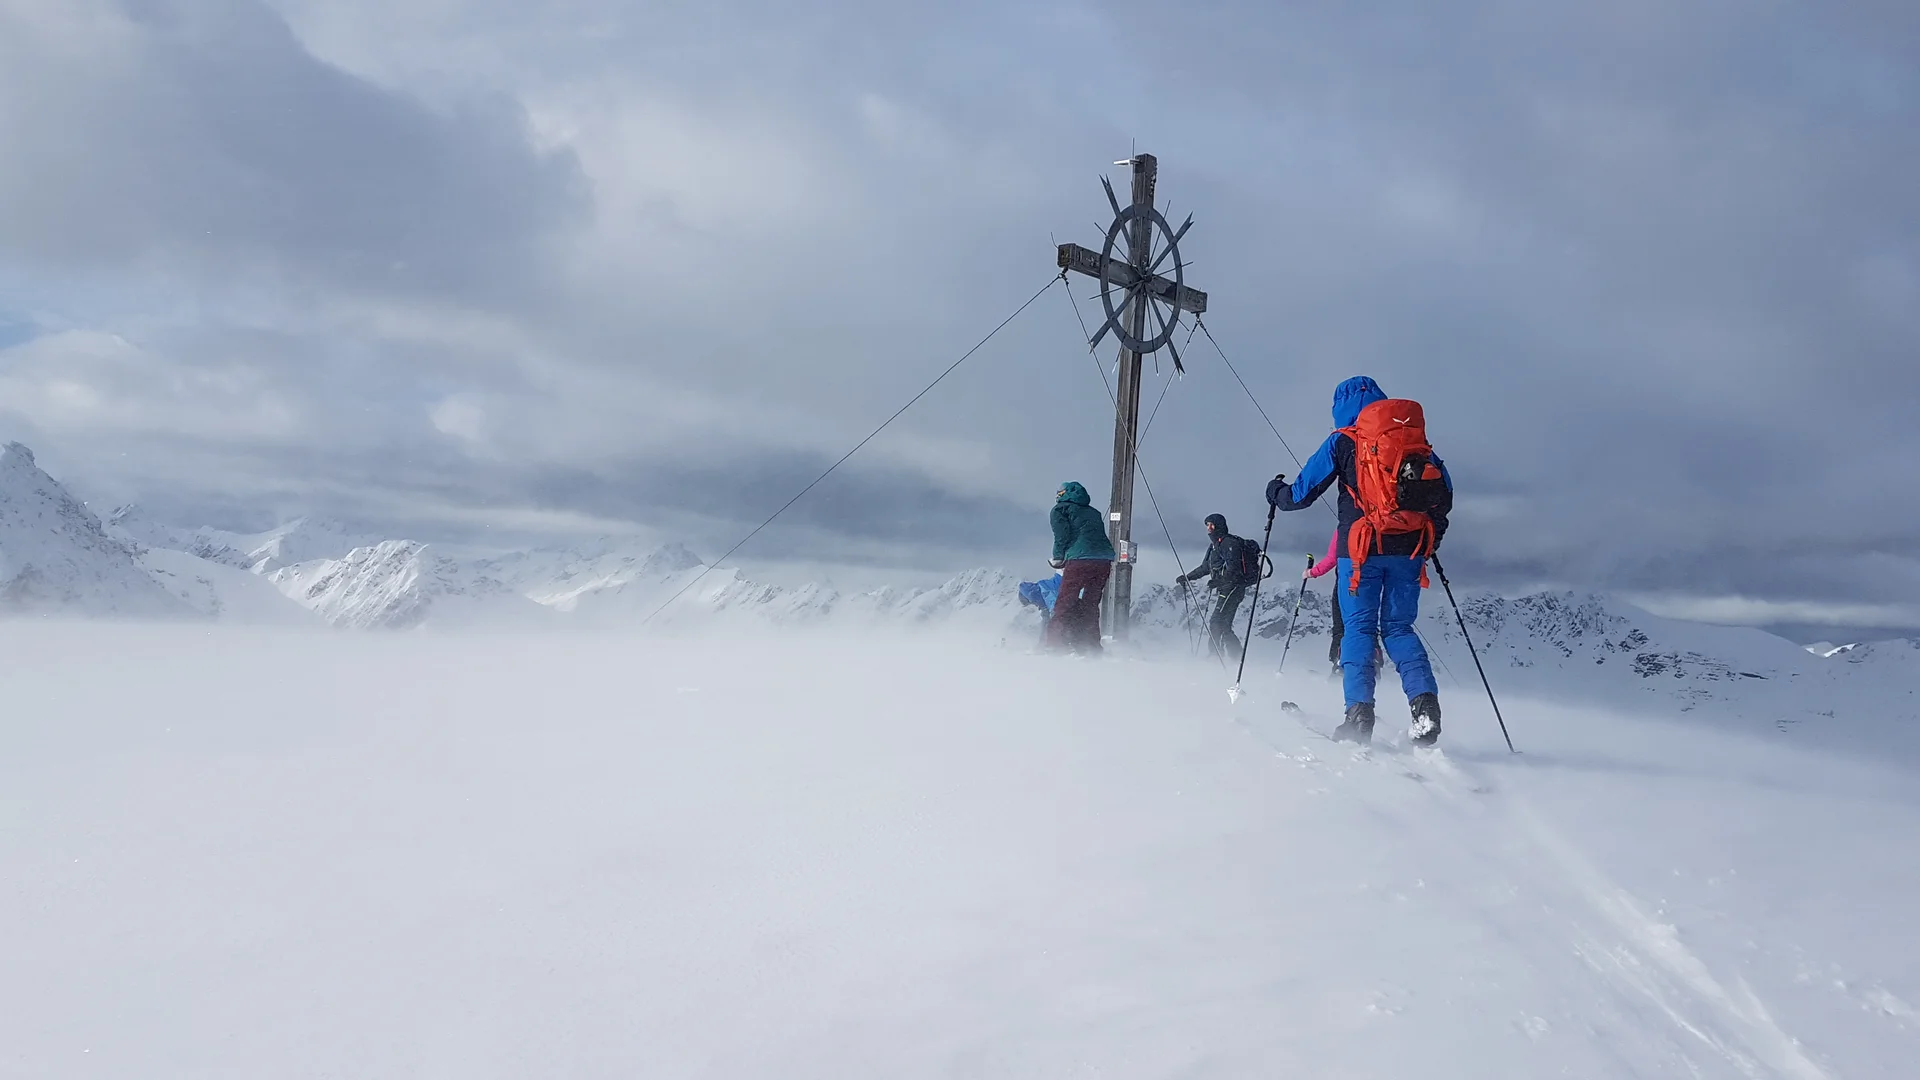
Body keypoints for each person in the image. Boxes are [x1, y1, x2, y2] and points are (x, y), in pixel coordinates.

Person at [1267, 376, 1452, 746]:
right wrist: (1428, 542)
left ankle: (1358, 717)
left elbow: (1301, 494)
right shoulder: (1415, 443)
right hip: (1410, 550)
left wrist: (1275, 492)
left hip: (1360, 550)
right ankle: (1425, 709)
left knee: (1359, 630)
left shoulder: (1343, 441)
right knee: (1400, 629)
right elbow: (1443, 496)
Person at [1174, 513, 1259, 659]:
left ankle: (1216, 655)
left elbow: (1234, 568)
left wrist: (1220, 581)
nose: (1209, 528)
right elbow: (1206, 567)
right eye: (1207, 525)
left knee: (1216, 621)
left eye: (1211, 525)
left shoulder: (1229, 543)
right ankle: (1235, 657)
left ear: (1219, 525)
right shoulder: (1215, 545)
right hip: (1228, 588)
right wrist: (1188, 577)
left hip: (1233, 588)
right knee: (1224, 624)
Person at [1047, 481, 1116, 654]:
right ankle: (1089, 645)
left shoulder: (1060, 510)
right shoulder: (1094, 512)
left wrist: (1058, 558)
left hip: (1079, 561)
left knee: (1065, 602)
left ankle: (1055, 644)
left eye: (1059, 492)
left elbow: (1061, 536)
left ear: (1064, 494)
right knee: (1090, 604)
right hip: (1103, 560)